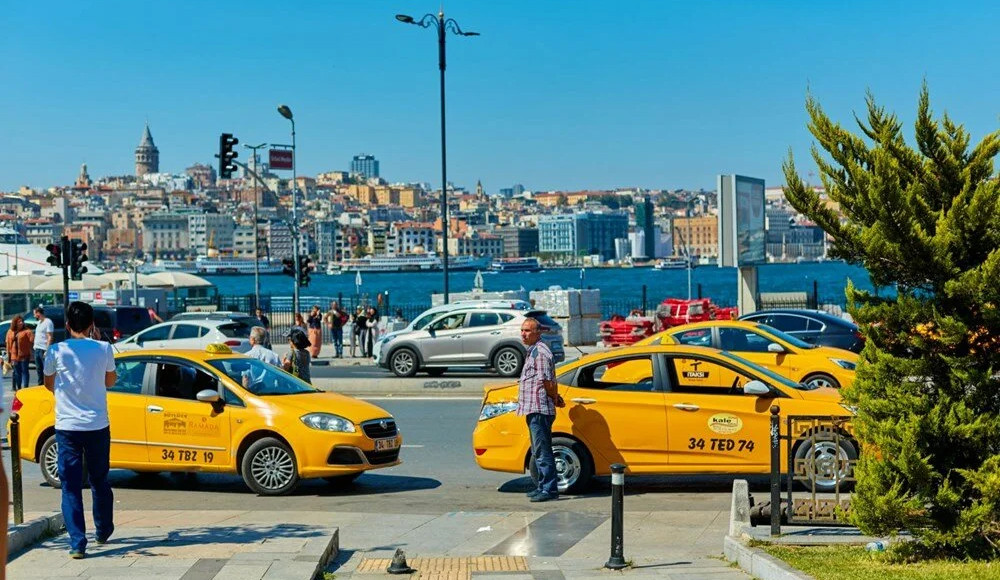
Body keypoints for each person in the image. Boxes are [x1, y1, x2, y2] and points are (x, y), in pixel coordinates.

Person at [43, 301, 117, 559]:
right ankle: (103, 529)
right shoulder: (104, 348)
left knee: (70, 485)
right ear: (92, 324)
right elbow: (110, 381)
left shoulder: (55, 351)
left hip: (67, 426)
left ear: (67, 325)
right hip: (97, 424)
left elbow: (49, 384)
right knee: (100, 479)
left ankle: (77, 542)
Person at [517, 317, 564, 503]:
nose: (523, 334)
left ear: (538, 332)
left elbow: (547, 382)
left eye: (527, 331)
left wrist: (554, 398)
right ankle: (543, 486)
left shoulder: (541, 353)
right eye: (522, 330)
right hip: (533, 408)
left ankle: (550, 489)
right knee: (538, 450)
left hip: (540, 409)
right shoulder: (533, 351)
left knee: (543, 450)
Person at [10, 316, 33, 390]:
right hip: (14, 356)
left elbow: (32, 341)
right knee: (17, 373)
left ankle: (26, 388)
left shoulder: (27, 331)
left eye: (22, 321)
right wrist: (9, 354)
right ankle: (19, 388)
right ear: (15, 323)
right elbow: (8, 343)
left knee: (25, 372)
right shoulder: (11, 331)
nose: (21, 323)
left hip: (24, 355)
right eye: (19, 322)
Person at [33, 306, 54, 385]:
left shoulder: (48, 322)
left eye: (34, 314)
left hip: (43, 349)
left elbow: (50, 336)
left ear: (38, 313)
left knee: (46, 370)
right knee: (38, 369)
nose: (34, 316)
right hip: (37, 349)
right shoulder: (39, 323)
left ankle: (47, 386)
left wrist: (47, 350)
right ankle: (40, 385)